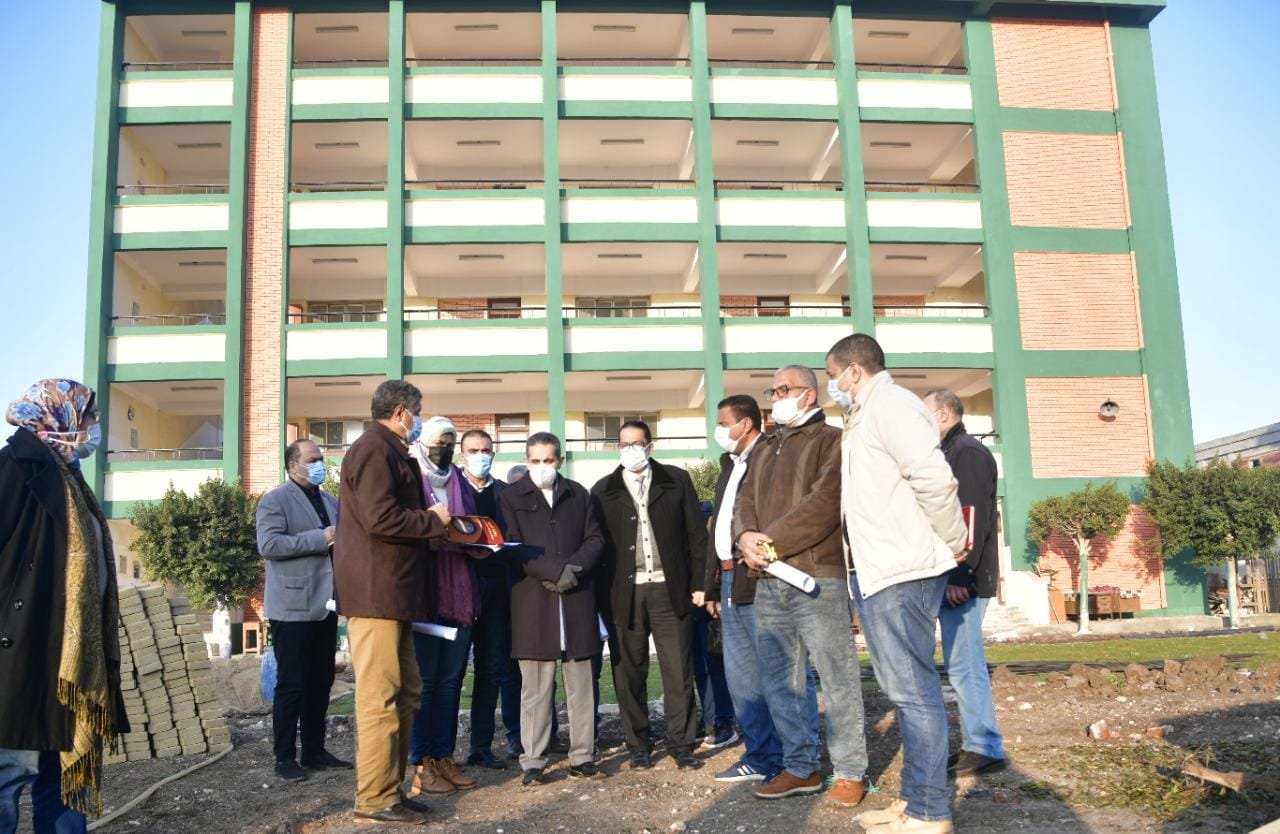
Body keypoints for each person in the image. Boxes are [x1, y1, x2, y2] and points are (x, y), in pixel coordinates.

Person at [825, 335, 967, 834]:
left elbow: (934, 479)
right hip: (879, 570)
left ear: (854, 371)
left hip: (904, 569)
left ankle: (930, 812)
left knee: (915, 694)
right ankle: (913, 801)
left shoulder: (893, 406)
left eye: (833, 375)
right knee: (904, 693)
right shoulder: (865, 413)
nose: (832, 385)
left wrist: (954, 540)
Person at [734, 366, 869, 807]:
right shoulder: (764, 446)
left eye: (782, 390)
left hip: (817, 576)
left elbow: (824, 503)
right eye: (772, 391)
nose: (775, 398)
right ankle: (800, 766)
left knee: (836, 675)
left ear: (808, 395)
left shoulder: (832, 441)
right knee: (780, 680)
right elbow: (743, 500)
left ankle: (849, 771)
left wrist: (768, 543)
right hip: (767, 579)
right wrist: (744, 537)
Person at [0, 380, 127, 834]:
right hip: (24, 648)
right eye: (88, 417)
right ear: (60, 416)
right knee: (11, 771)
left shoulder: (68, 475)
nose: (93, 426)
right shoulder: (15, 467)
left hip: (70, 653)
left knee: (66, 776)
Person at [333, 380, 451, 826]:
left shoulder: (389, 451)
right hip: (375, 594)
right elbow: (379, 517)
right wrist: (431, 520)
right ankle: (373, 799)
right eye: (417, 411)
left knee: (407, 692)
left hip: (393, 593)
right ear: (401, 412)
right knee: (380, 698)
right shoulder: (373, 450)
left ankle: (390, 790)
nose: (419, 420)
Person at [703, 395, 818, 785]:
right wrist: (711, 586)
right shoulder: (731, 464)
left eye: (724, 423)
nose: (719, 430)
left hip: (763, 575)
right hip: (729, 578)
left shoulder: (772, 457)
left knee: (784, 672)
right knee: (742, 677)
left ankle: (800, 757)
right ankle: (761, 755)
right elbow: (720, 527)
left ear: (746, 423)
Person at [591, 421, 707, 771]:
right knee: (629, 672)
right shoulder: (603, 490)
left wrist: (701, 584)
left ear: (650, 446)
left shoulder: (676, 481)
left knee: (678, 669)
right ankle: (638, 744)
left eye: (637, 443)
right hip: (625, 594)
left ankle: (682, 743)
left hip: (671, 590)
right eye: (624, 444)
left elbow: (696, 536)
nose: (630, 450)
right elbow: (598, 548)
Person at [499, 433, 606, 785]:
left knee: (582, 686)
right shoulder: (510, 497)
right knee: (535, 689)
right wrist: (552, 572)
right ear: (526, 461)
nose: (542, 467)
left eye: (548, 460)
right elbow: (511, 545)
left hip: (577, 598)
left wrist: (573, 570)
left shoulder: (578, 493)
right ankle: (532, 761)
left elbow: (595, 538)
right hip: (534, 600)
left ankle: (583, 756)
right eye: (535, 461)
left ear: (559, 460)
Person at [921, 389, 1006, 778]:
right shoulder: (949, 452)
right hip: (954, 575)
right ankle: (976, 743)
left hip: (963, 580)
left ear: (942, 414)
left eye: (924, 413)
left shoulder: (966, 453)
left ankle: (985, 747)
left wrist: (960, 576)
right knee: (959, 665)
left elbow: (970, 517)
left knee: (965, 665)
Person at [256, 439, 349, 783]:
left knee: (321, 681)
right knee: (292, 684)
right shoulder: (275, 500)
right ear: (292, 464)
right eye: (312, 459)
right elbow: (269, 544)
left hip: (326, 605)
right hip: (291, 606)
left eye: (321, 458)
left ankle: (314, 750)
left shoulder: (331, 501)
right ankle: (284, 757)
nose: (319, 464)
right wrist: (320, 537)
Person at [405, 417, 481, 796]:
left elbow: (471, 526)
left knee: (451, 682)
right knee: (425, 683)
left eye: (450, 443)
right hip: (424, 594)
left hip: (459, 592)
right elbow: (401, 531)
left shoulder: (460, 484)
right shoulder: (409, 481)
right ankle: (423, 764)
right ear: (423, 444)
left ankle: (444, 756)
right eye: (439, 442)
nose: (445, 449)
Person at [458, 430, 519, 770]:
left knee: (491, 670)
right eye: (473, 450)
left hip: (497, 592)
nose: (480, 456)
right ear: (462, 455)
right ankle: (437, 752)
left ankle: (480, 748)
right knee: (450, 673)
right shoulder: (452, 491)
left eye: (485, 450)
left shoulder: (506, 494)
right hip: (459, 591)